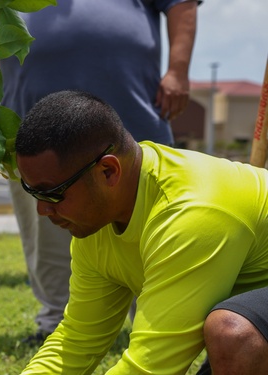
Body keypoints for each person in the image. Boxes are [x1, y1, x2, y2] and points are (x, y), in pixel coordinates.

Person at [0, 0, 198, 345]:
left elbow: (182, 4)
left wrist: (178, 70)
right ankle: (56, 324)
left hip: (134, 125)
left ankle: (154, 326)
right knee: (47, 228)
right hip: (31, 130)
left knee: (151, 233)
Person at [16, 89, 268, 374]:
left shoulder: (191, 214)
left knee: (233, 333)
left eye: (52, 193)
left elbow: (149, 367)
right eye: (31, 192)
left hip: (248, 332)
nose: (42, 210)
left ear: (108, 171)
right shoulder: (96, 220)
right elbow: (78, 340)